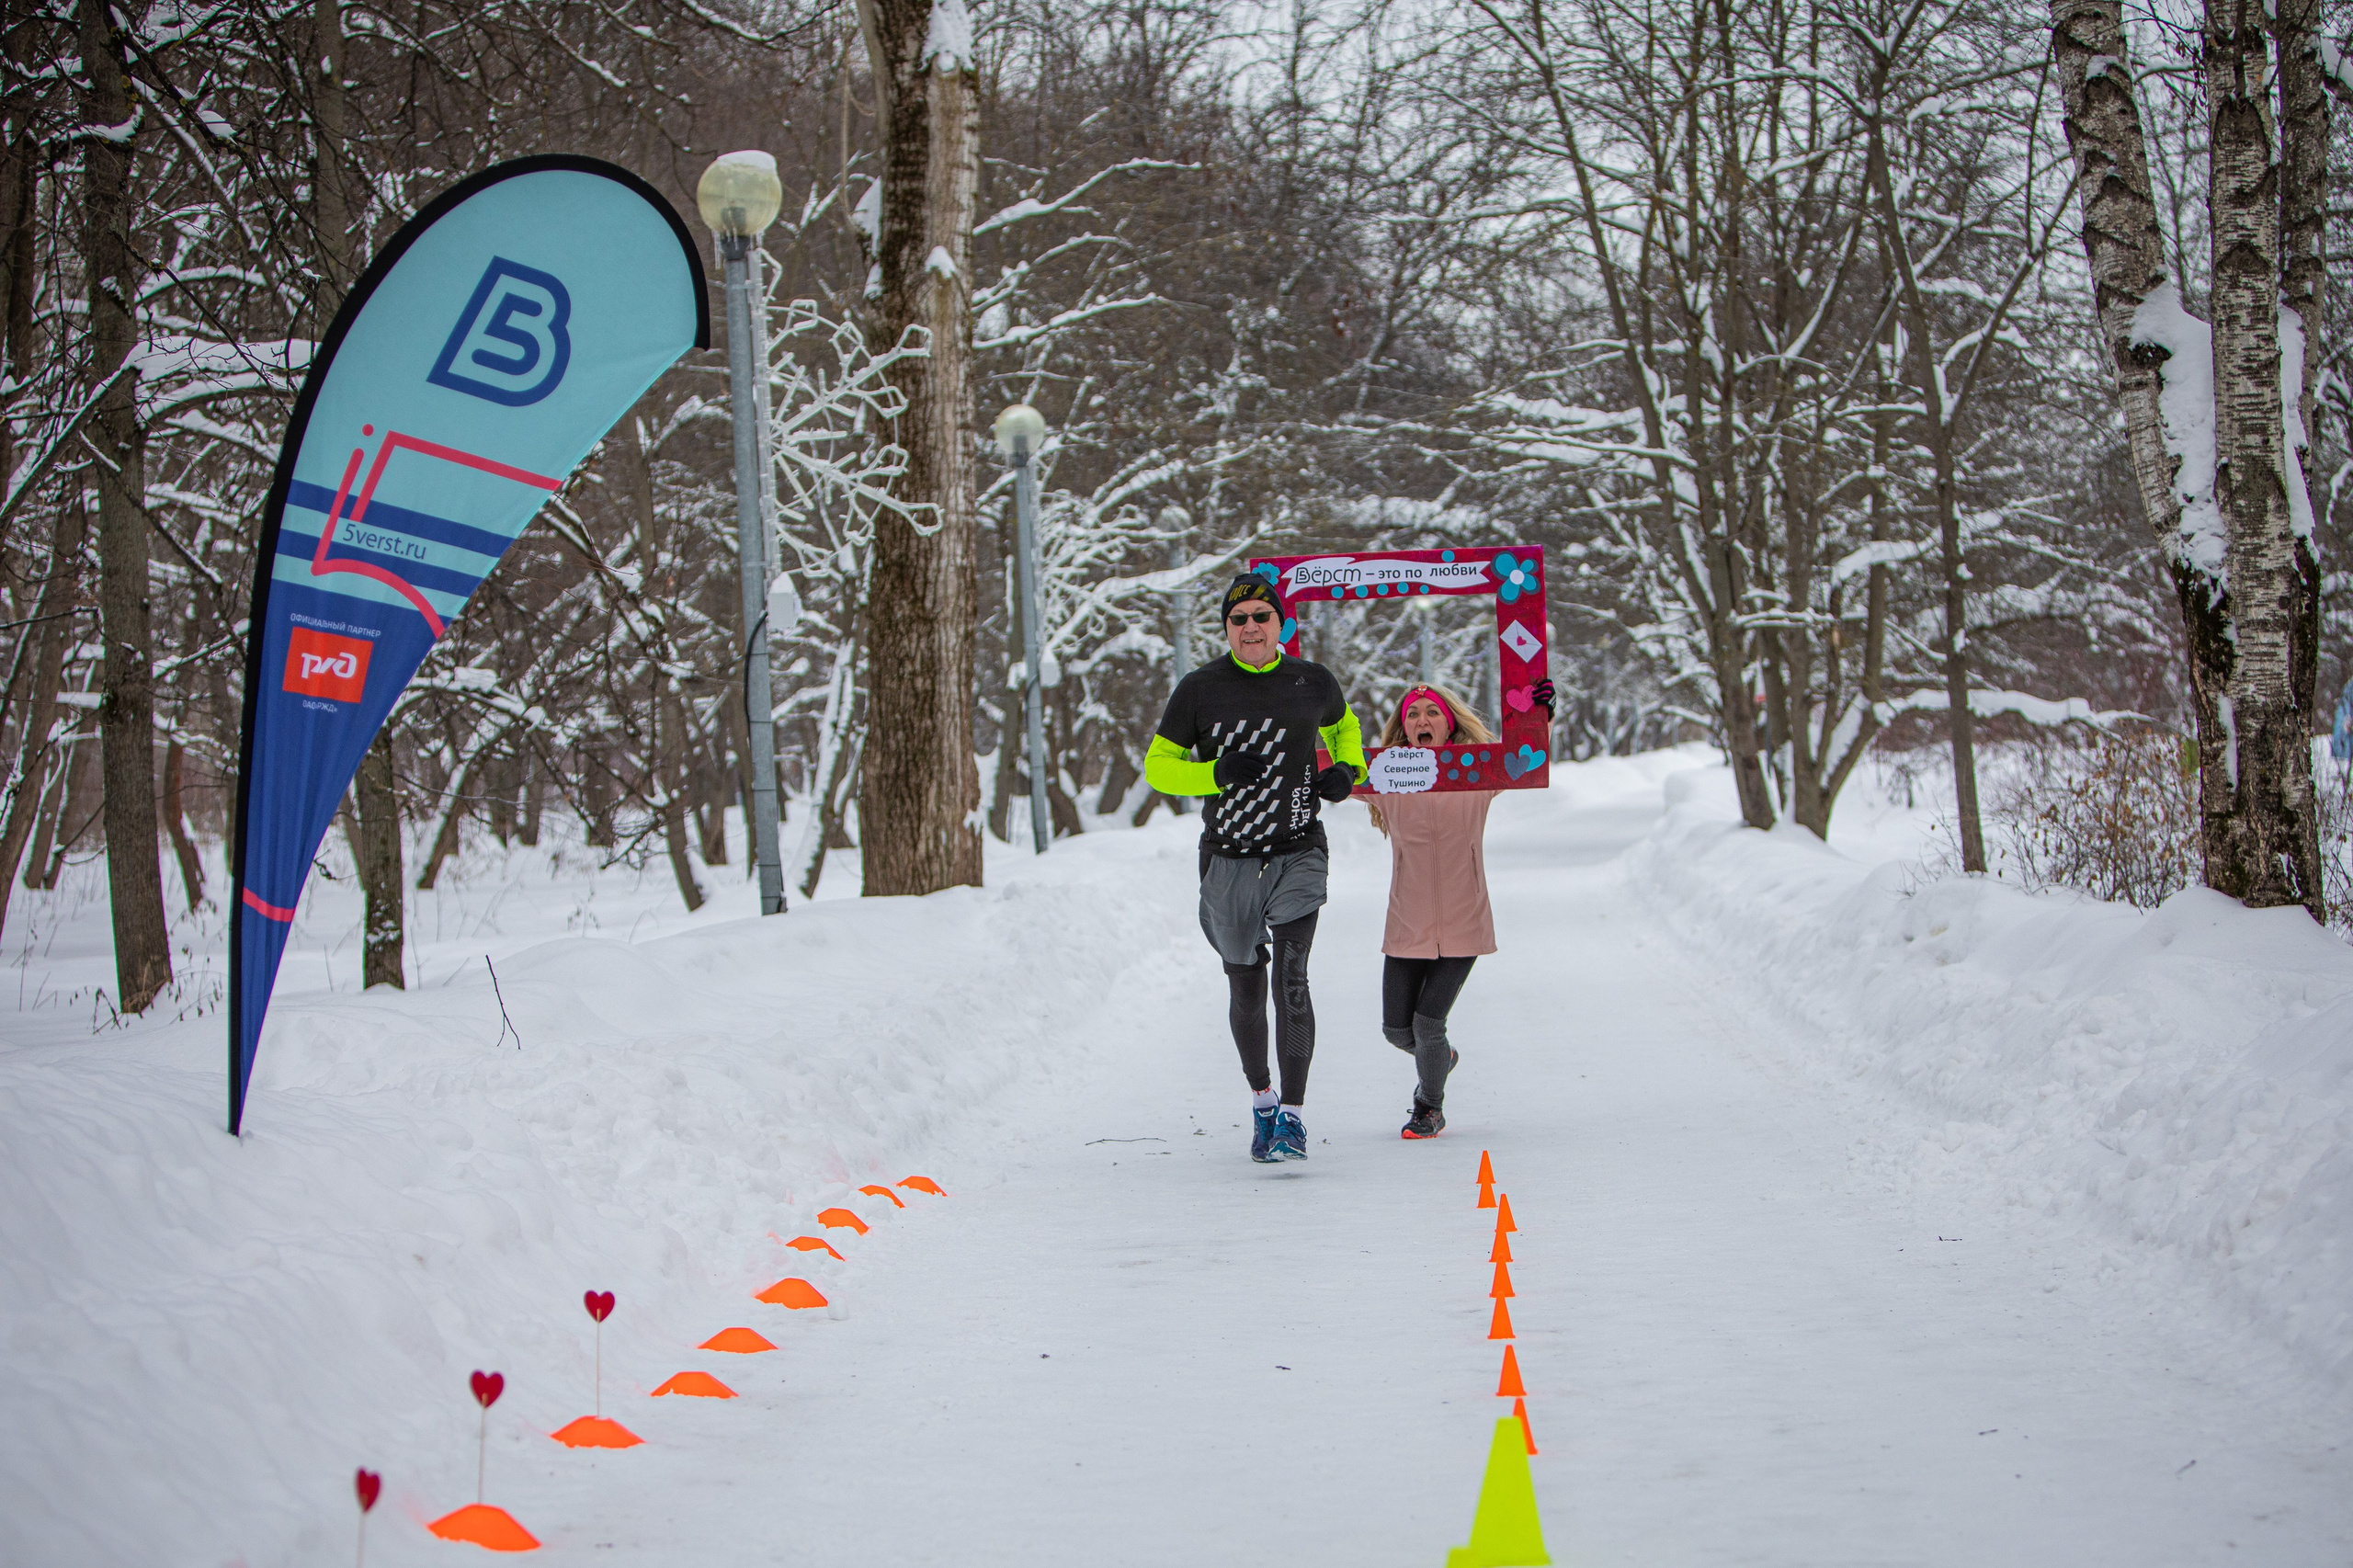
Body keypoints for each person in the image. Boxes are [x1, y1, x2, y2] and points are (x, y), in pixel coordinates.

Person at [1145, 572, 1367, 1163]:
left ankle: (1293, 1116)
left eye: (1260, 617)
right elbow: (1158, 767)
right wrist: (1212, 774)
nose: (1250, 627)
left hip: (1298, 848)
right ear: (1227, 628)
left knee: (1291, 980)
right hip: (1229, 858)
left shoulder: (1310, 680)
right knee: (1245, 985)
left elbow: (1345, 727)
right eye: (1238, 619)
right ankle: (1263, 1103)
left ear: (1280, 625)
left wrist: (1349, 771)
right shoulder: (1200, 689)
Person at [1368, 677, 1551, 1139]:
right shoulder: (1386, 775)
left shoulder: (1477, 775)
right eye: (1412, 714)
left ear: (1449, 725)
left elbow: (1522, 759)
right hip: (1407, 922)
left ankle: (1429, 1107)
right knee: (1396, 1031)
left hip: (1463, 919)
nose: (1421, 721)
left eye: (1431, 713)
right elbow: (1330, 768)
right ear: (1402, 729)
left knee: (1429, 1023)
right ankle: (1441, 1059)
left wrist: (1538, 718)